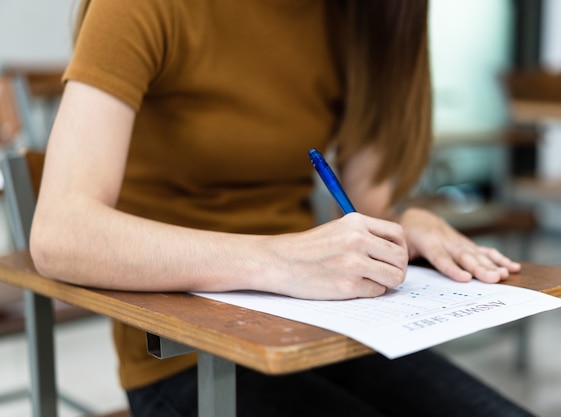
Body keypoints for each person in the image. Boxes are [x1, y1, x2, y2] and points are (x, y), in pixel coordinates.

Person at [29, 0, 533, 416]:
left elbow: (367, 205)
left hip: (325, 330)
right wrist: (280, 261)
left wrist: (406, 221)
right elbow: (60, 233)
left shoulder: (360, 15)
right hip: (186, 361)